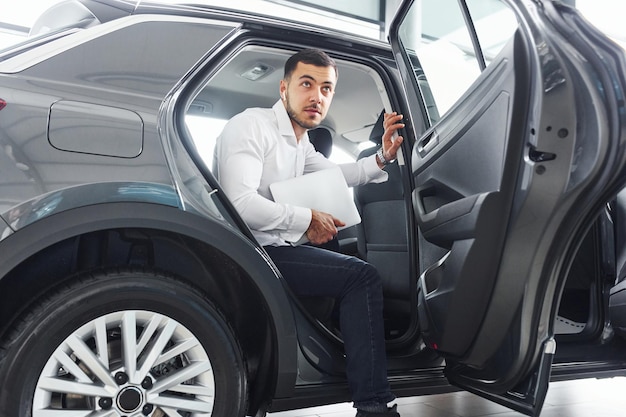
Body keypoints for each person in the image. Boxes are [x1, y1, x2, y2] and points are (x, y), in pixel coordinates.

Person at [215, 48, 404, 417]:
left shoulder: (301, 143)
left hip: (273, 248)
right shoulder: (252, 126)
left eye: (326, 88)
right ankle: (375, 405)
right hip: (252, 255)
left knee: (342, 251)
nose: (317, 96)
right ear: (283, 88)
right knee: (361, 277)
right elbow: (239, 205)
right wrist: (306, 219)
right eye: (307, 84)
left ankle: (342, 349)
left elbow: (340, 175)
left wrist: (382, 157)